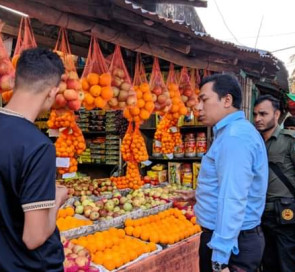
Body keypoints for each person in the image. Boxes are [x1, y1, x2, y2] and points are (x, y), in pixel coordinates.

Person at [0, 48, 68, 271]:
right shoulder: (38, 147)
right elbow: (34, 237)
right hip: (30, 265)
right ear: (52, 92)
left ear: (15, 80)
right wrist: (57, 199)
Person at [194, 74, 268, 272]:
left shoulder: (235, 137)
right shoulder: (232, 132)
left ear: (227, 100)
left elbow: (233, 199)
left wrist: (220, 260)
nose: (198, 107)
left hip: (233, 244)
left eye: (204, 99)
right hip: (233, 239)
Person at [253, 94, 295, 272]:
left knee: (287, 264)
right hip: (260, 216)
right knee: (267, 264)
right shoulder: (254, 142)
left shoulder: (289, 141)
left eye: (263, 114)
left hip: (285, 215)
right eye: (255, 114)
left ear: (276, 115)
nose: (257, 119)